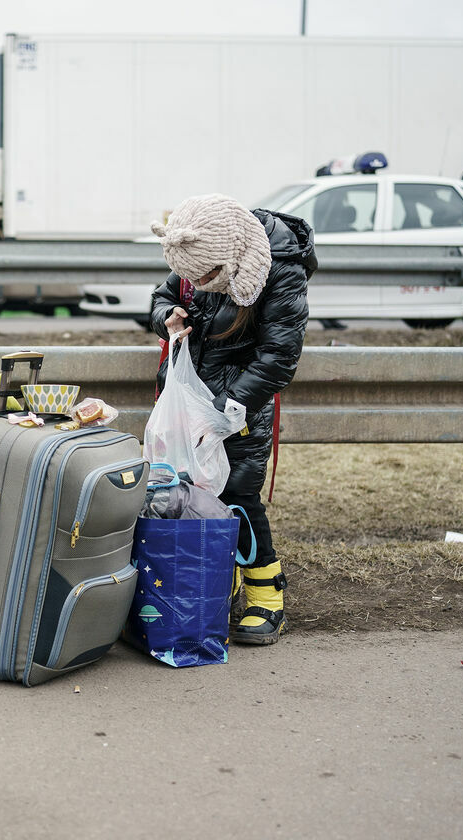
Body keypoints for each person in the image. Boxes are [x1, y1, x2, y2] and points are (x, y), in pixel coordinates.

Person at [148, 194, 315, 645]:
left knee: (239, 493)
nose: (196, 284)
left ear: (231, 257)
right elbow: (163, 294)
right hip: (187, 399)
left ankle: (267, 595)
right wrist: (168, 314)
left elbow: (279, 356)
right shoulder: (199, 254)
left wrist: (226, 412)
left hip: (239, 406)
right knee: (193, 492)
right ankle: (224, 581)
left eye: (206, 277)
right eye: (190, 277)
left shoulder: (280, 269)